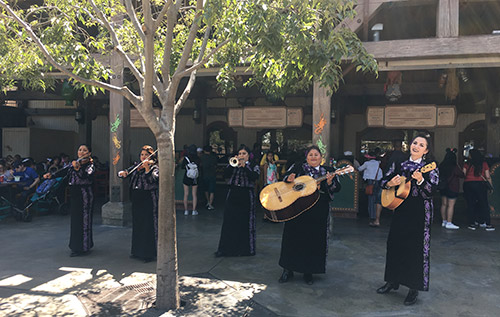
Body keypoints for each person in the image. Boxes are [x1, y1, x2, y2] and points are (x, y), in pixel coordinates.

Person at [376, 133, 439, 306]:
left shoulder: (430, 167)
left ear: (426, 150)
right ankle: (392, 281)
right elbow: (383, 181)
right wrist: (390, 184)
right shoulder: (400, 163)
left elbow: (432, 191)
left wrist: (420, 181)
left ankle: (413, 288)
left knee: (415, 249)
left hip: (419, 212)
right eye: (414, 143)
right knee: (395, 244)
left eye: (421, 145)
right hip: (401, 209)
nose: (416, 146)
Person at [278, 145, 341, 285]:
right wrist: (289, 179)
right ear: (306, 157)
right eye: (310, 155)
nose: (313, 157)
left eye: (316, 155)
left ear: (321, 158)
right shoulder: (298, 167)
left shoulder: (328, 171)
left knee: (313, 240)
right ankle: (287, 270)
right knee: (292, 238)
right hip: (297, 209)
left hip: (318, 211)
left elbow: (337, 188)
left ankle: (309, 272)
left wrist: (330, 182)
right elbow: (285, 179)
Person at [44, 144, 95, 257]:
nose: (81, 152)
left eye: (84, 150)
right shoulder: (74, 163)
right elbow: (63, 172)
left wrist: (77, 169)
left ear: (89, 153)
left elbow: (87, 176)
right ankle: (76, 246)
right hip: (75, 195)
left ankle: (84, 247)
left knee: (84, 220)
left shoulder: (90, 165)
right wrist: (51, 175)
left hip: (84, 195)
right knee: (76, 221)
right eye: (80, 150)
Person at [215, 145, 260, 257]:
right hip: (233, 193)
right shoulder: (233, 164)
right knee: (229, 221)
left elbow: (254, 177)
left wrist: (245, 166)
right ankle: (225, 249)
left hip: (246, 194)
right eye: (240, 154)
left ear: (249, 156)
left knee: (245, 222)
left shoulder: (253, 165)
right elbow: (225, 175)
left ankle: (246, 250)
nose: (241, 156)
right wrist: (232, 165)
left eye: (244, 154)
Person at [118, 145, 159, 262]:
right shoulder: (137, 166)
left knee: (148, 226)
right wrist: (123, 173)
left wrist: (147, 169)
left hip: (148, 199)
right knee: (138, 225)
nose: (144, 157)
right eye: (142, 155)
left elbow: (153, 180)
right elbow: (127, 173)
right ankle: (137, 251)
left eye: (146, 155)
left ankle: (148, 253)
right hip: (137, 199)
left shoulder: (155, 168)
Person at [463, 149, 495, 231]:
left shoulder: (467, 163)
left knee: (471, 204)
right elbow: (487, 176)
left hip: (468, 184)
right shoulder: (484, 163)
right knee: (483, 203)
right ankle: (487, 223)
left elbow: (463, 174)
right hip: (480, 185)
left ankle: (472, 223)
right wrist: (490, 186)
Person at [438, 148, 464, 230]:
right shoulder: (454, 166)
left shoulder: (441, 165)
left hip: (443, 187)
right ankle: (449, 222)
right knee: (451, 205)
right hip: (452, 187)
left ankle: (444, 221)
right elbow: (461, 174)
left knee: (444, 204)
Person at [358, 150, 383, 227]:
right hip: (378, 182)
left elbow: (359, 169)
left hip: (370, 182)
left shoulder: (367, 164)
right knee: (376, 200)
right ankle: (376, 217)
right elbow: (381, 174)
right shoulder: (378, 164)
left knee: (370, 199)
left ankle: (372, 216)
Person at [182, 145, 200, 216]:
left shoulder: (186, 158)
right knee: (194, 194)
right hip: (195, 178)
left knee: (186, 194)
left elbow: (182, 167)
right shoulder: (198, 158)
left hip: (187, 177)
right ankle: (194, 210)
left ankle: (186, 210)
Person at [200, 145, 218, 210]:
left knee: (206, 189)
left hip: (205, 175)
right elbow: (216, 165)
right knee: (212, 190)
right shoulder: (213, 157)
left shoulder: (202, 157)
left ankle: (207, 201)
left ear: (204, 150)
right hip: (212, 175)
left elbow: (200, 165)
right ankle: (210, 204)